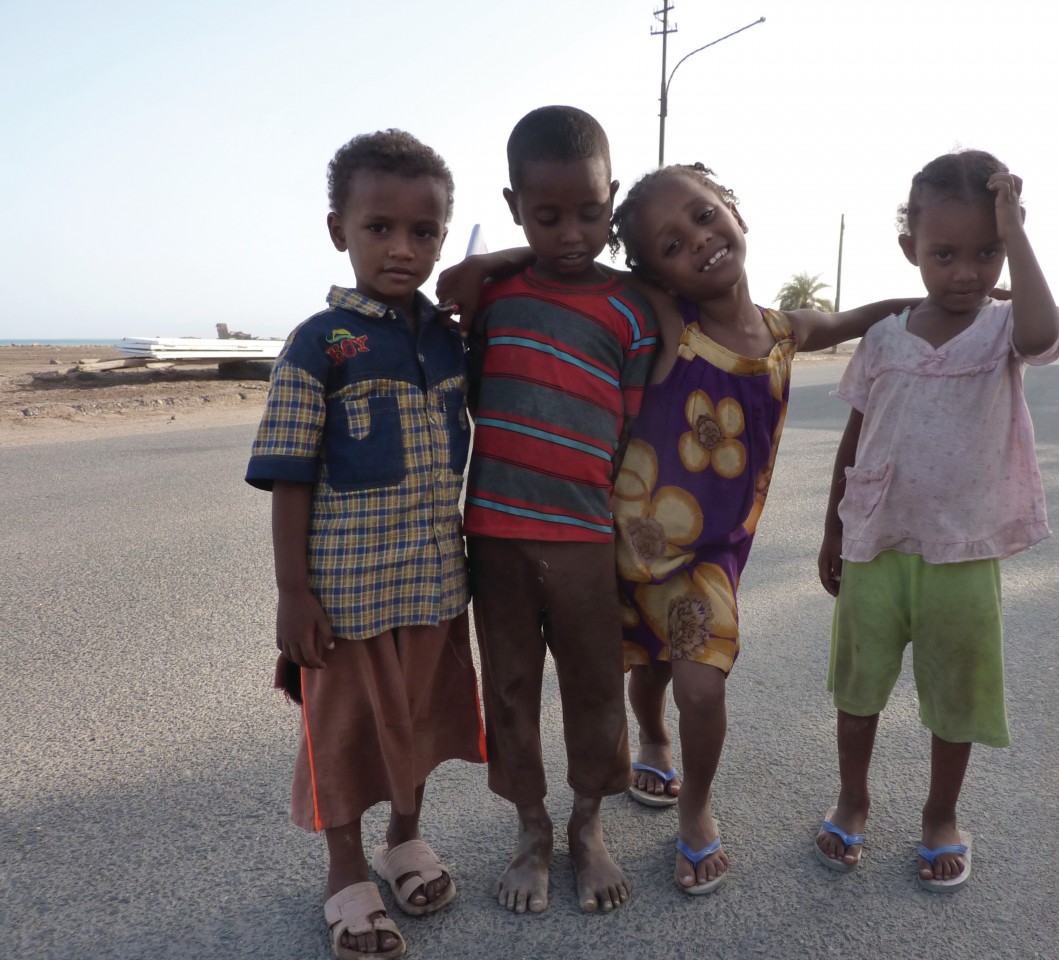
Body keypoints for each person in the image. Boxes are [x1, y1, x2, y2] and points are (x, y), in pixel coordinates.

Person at [604, 163, 918, 894]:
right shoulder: (674, 325)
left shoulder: (785, 333)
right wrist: (497, 259)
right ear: (660, 275)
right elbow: (581, 264)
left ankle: (696, 807)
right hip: (626, 544)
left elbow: (856, 319)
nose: (700, 241)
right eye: (672, 245)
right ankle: (651, 736)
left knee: (701, 687)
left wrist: (930, 301)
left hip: (706, 560)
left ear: (735, 210)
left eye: (706, 215)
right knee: (645, 669)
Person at [245, 130, 485, 960]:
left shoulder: (451, 338)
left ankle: (405, 841)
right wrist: (291, 592)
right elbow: (289, 475)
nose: (402, 248)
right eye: (379, 227)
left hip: (433, 586)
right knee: (345, 733)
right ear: (337, 230)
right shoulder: (319, 345)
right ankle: (345, 871)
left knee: (419, 720)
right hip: (345, 595)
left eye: (425, 232)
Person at [814, 150, 1059, 891]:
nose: (965, 271)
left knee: (955, 696)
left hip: (962, 551)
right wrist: (834, 527)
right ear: (911, 252)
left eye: (984, 253)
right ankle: (852, 800)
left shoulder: (1000, 334)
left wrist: (1016, 235)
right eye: (944, 254)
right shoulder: (886, 337)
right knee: (858, 688)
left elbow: (1037, 335)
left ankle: (939, 815)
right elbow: (856, 435)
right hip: (875, 542)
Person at [462, 105, 659, 916]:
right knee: (508, 688)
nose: (572, 232)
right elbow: (461, 321)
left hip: (585, 538)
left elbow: (633, 426)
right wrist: (510, 258)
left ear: (611, 197)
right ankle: (532, 831)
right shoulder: (495, 294)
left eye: (589, 211)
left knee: (593, 688)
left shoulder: (632, 310)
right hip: (496, 535)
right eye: (547, 217)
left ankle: (587, 828)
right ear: (514, 207)